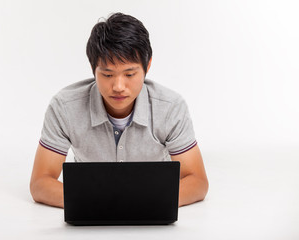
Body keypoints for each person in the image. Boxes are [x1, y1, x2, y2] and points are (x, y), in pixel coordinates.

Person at [30, 12, 208, 208]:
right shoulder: (64, 107)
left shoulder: (170, 108)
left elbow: (197, 181)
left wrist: (141, 201)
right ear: (93, 68)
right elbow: (40, 182)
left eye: (130, 74)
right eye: (107, 74)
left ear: (147, 66)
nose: (118, 86)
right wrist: (100, 202)